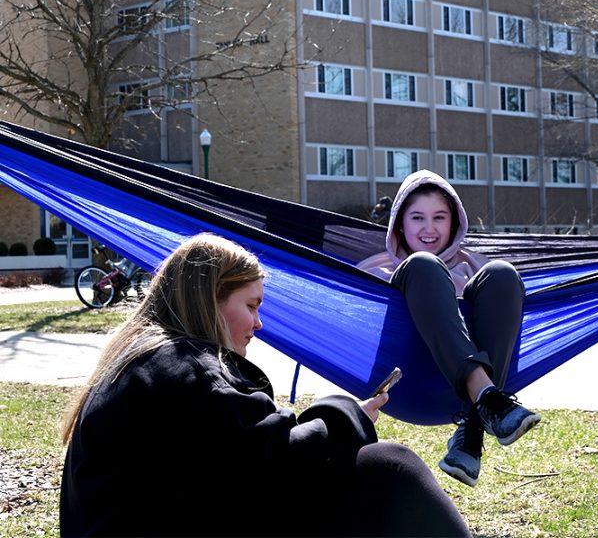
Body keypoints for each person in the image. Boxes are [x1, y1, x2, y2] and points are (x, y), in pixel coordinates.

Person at [60, 233, 471, 538]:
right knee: (390, 466)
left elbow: (238, 465)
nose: (258, 324)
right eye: (251, 305)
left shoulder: (141, 363)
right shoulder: (187, 369)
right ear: (210, 300)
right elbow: (280, 464)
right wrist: (347, 415)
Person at [358, 170, 541, 488]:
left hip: (453, 392)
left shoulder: (475, 266)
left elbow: (503, 314)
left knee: (502, 273)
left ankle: (473, 426)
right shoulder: (377, 268)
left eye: (439, 217)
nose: (429, 229)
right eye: (417, 218)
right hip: (406, 379)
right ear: (400, 224)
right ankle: (486, 399)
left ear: (454, 223)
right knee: (422, 264)